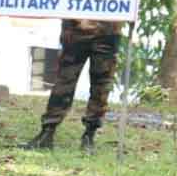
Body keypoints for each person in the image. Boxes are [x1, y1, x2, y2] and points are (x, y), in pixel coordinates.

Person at [21, 19, 122, 153]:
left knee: (101, 85)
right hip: (77, 28)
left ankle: (89, 135)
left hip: (108, 30)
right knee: (65, 80)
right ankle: (47, 132)